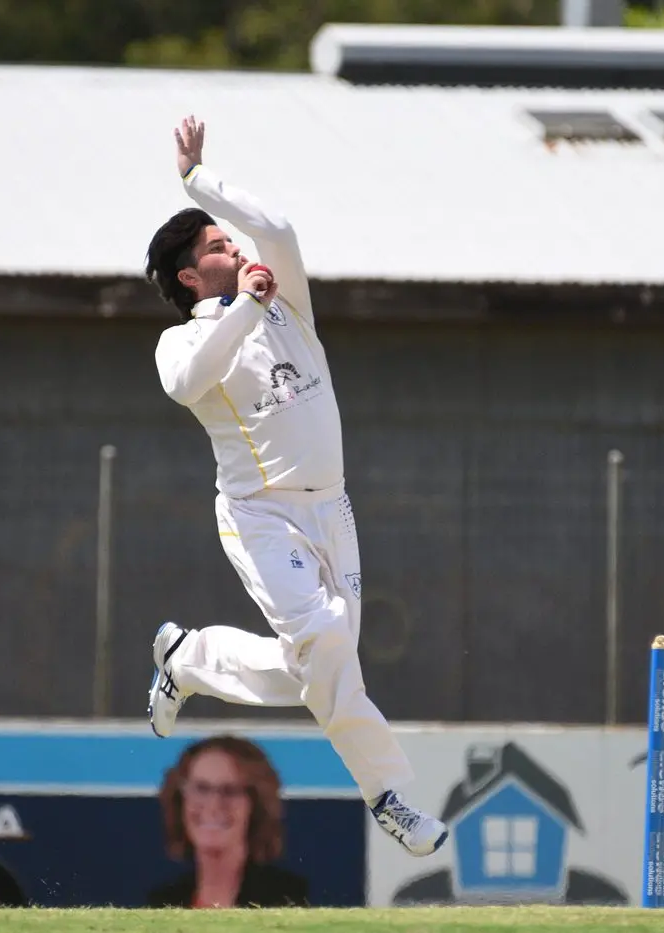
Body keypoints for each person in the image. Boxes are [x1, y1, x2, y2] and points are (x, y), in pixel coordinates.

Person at [141, 115, 446, 859]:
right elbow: (188, 381)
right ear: (191, 276)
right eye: (218, 246)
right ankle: (388, 795)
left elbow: (275, 223)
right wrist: (243, 304)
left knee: (323, 660)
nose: (237, 248)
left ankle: (191, 658)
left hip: (332, 508)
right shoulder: (183, 338)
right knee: (324, 644)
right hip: (260, 514)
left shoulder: (288, 304)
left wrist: (197, 180)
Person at [147, 735, 309, 908]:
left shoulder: (286, 899)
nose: (214, 805)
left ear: (256, 804)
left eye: (230, 791)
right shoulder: (163, 902)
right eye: (201, 788)